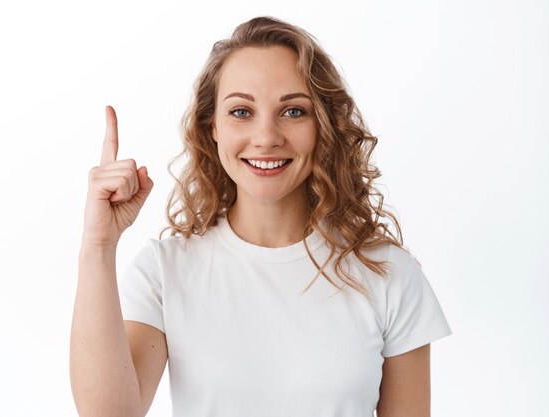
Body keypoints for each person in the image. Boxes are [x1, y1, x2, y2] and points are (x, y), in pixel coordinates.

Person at [70, 16, 451, 417]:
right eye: (241, 112)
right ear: (211, 126)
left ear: (323, 125)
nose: (266, 136)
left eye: (293, 111)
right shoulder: (165, 271)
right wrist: (98, 245)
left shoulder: (387, 274)